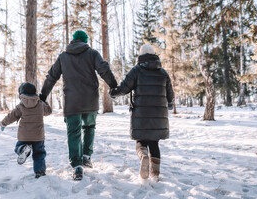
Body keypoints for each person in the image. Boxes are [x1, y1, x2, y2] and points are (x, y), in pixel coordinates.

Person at [39, 30, 117, 180]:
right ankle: (86, 156)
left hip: (72, 102)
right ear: (85, 41)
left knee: (73, 132)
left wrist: (43, 95)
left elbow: (51, 77)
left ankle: (77, 166)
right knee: (89, 127)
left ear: (73, 41)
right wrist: (113, 86)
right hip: (90, 100)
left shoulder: (63, 56)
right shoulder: (92, 53)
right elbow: (104, 70)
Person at [110, 44, 174, 181]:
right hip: (158, 116)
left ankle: (143, 156)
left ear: (141, 55)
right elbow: (170, 95)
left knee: (141, 140)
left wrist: (114, 93)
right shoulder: (163, 73)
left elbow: (124, 87)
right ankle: (155, 173)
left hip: (141, 113)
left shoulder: (137, 71)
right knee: (154, 142)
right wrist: (169, 105)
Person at [0, 82, 52, 179]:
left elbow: (11, 116)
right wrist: (45, 102)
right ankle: (40, 172)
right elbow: (49, 111)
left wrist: (3, 123)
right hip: (38, 136)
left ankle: (23, 149)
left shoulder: (21, 106)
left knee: (18, 147)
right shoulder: (40, 104)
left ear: (21, 94)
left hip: (24, 136)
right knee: (39, 154)